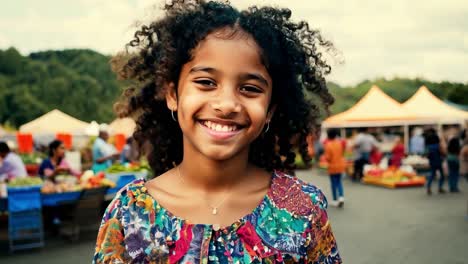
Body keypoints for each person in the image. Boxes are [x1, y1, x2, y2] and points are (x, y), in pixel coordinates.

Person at [93, 1, 341, 263]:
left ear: (269, 110)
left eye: (250, 88)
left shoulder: (303, 209)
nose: (226, 105)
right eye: (206, 82)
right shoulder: (128, 212)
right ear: (172, 95)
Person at [324, 129, 346, 208]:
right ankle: (341, 197)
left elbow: (328, 158)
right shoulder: (339, 143)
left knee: (333, 184)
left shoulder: (328, 145)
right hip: (340, 165)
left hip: (332, 167)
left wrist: (325, 158)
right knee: (339, 182)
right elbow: (342, 153)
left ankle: (334, 200)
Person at [424, 128, 445, 195]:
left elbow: (427, 154)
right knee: (442, 175)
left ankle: (429, 187)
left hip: (432, 161)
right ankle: (440, 188)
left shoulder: (428, 145)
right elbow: (441, 151)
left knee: (432, 175)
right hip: (438, 160)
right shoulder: (437, 143)